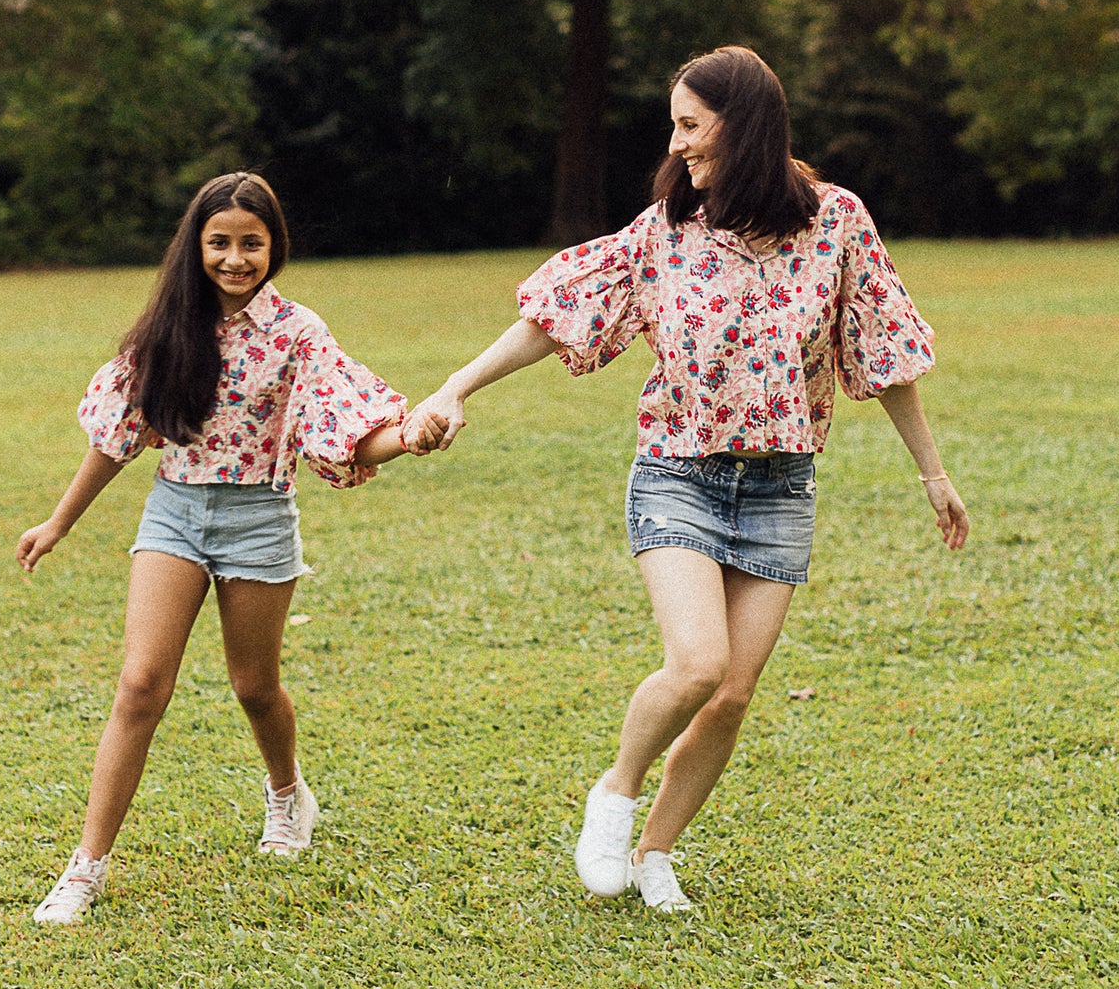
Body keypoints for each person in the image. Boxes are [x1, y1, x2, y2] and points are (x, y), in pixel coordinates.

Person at [403, 46, 969, 915]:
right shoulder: (667, 229)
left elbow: (884, 352)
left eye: (690, 125)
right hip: (679, 475)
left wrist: (931, 472)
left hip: (781, 487)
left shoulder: (836, 222)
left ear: (742, 127)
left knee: (734, 692)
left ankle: (656, 850)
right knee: (698, 661)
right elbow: (554, 320)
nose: (677, 143)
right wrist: (454, 385)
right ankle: (614, 795)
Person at [16, 170, 439, 926]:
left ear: (273, 245)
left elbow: (341, 427)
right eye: (220, 242)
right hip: (174, 512)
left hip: (258, 517)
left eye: (252, 242)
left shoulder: (298, 332)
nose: (235, 258)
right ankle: (85, 868)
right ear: (196, 244)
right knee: (140, 684)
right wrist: (58, 522)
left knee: (253, 686)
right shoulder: (168, 327)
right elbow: (119, 438)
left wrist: (406, 437)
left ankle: (287, 795)